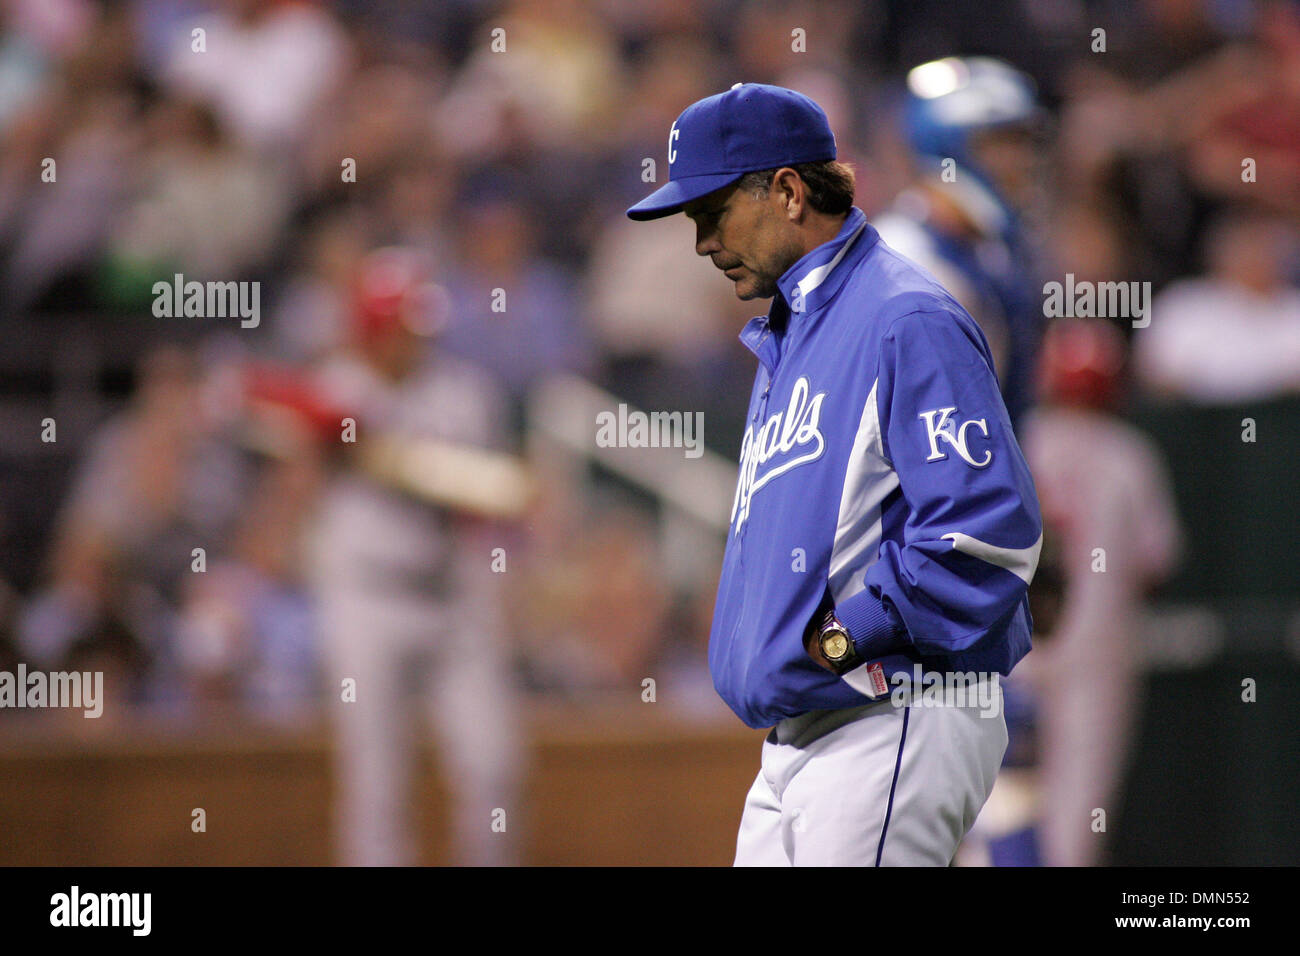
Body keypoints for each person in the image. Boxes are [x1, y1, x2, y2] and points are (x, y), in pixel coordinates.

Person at [626, 83, 1043, 866]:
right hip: (805, 737)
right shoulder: (795, 333)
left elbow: (984, 533)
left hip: (893, 713)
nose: (702, 241)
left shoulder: (903, 316)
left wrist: (853, 634)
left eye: (712, 211)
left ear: (786, 191)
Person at [872, 57, 1050, 430]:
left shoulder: (990, 255)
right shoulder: (899, 255)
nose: (1023, 161)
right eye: (1001, 144)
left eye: (1024, 145)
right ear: (947, 146)